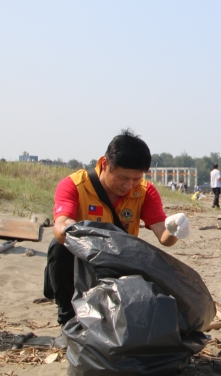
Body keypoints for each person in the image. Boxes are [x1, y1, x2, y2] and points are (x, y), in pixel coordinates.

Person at [44, 132, 190, 346]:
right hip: (83, 262)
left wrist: (174, 229)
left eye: (136, 179)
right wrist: (75, 230)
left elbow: (164, 237)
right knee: (58, 248)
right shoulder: (75, 185)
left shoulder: (145, 192)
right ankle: (67, 322)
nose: (129, 185)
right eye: (123, 178)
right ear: (105, 164)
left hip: (120, 263)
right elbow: (60, 226)